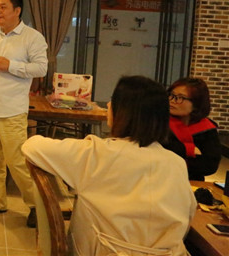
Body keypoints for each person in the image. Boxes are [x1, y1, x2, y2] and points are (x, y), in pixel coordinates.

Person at [23, 75, 196, 255]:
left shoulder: (96, 153)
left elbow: (32, 147)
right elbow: (187, 218)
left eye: (113, 100)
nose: (108, 105)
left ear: (124, 112)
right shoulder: (176, 163)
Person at [0, 0, 48, 229]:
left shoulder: (32, 37)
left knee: (17, 162)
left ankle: (37, 207)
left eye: (3, 7)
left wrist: (11, 65)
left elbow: (41, 68)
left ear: (17, 10)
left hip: (12, 109)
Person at [163, 77, 221, 181]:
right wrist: (188, 150)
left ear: (196, 104)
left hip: (192, 182)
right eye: (171, 95)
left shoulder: (207, 128)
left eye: (180, 97)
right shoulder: (159, 122)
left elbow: (210, 165)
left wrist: (177, 159)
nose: (172, 101)